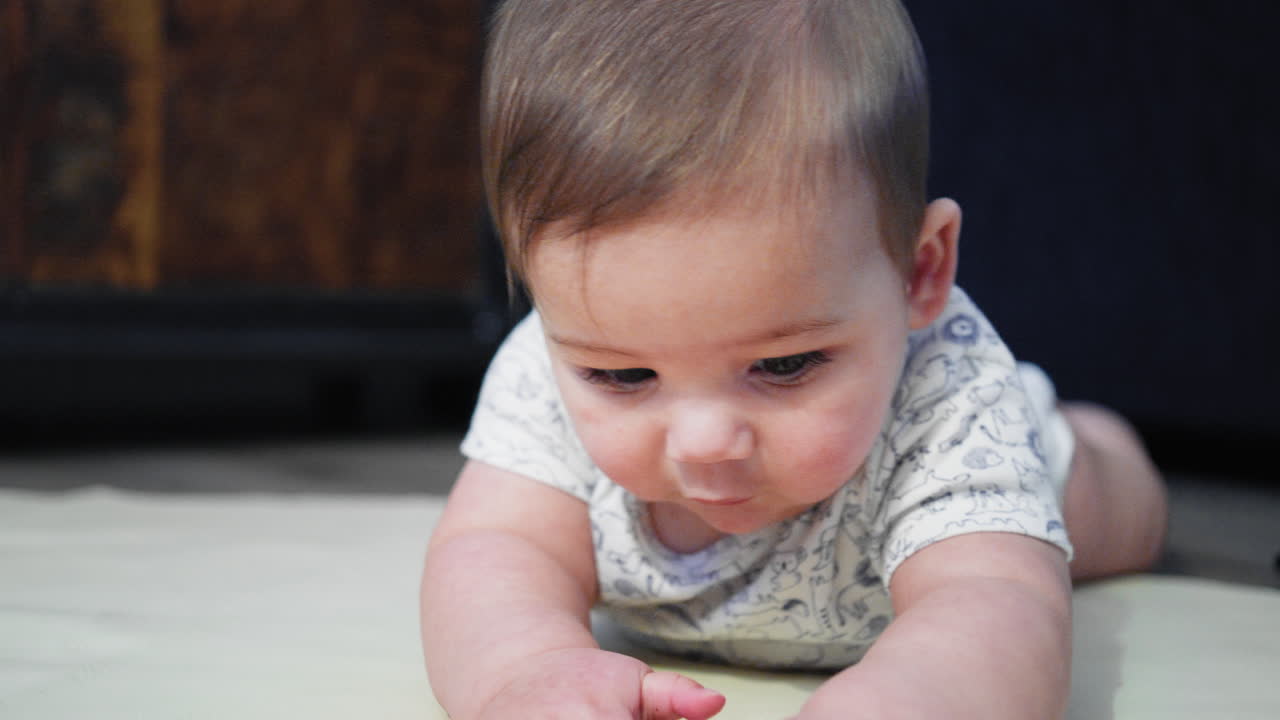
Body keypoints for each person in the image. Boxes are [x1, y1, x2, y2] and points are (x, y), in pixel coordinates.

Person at [421, 1, 1167, 718]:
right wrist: (527, 670)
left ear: (921, 273)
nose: (706, 442)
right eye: (624, 376)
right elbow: (494, 549)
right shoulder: (543, 374)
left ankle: (1093, 439)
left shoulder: (952, 400)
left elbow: (998, 597)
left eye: (783, 365)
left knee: (1110, 507)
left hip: (1025, 467)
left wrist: (916, 696)